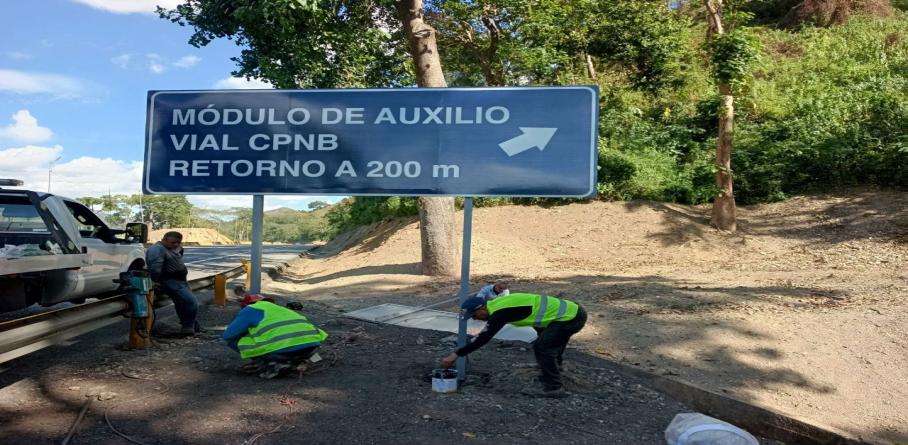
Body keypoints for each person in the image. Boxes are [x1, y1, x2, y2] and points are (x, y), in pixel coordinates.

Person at [439, 293, 587, 398]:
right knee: (547, 342)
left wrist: (456, 354)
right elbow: (535, 314)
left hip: (571, 318)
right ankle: (556, 367)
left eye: (475, 316)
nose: (476, 319)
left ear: (481, 309)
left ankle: (554, 388)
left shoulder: (500, 313)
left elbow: (482, 338)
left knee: (542, 347)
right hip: (569, 313)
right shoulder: (497, 304)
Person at [223, 294, 328, 379]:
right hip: (312, 347)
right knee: (300, 350)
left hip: (284, 351)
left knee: (233, 340)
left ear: (245, 305)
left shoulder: (250, 309)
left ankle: (270, 362)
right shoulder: (281, 309)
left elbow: (228, 335)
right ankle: (304, 360)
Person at [146, 231, 200, 335]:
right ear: (164, 239)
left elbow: (178, 258)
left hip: (181, 280)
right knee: (191, 302)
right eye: (173, 242)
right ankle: (188, 326)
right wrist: (155, 281)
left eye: (178, 242)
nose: (176, 245)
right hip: (169, 280)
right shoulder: (157, 249)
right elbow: (155, 268)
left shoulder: (175, 248)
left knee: (182, 303)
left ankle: (190, 326)